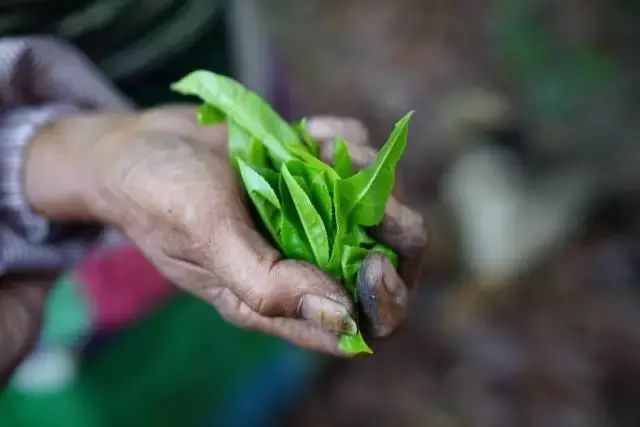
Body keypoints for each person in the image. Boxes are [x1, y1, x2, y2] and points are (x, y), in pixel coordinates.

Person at [0, 36, 426, 383]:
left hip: (213, 62)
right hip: (71, 244)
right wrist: (85, 160)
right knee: (121, 331)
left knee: (233, 304)